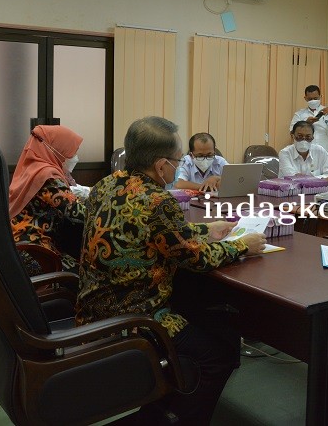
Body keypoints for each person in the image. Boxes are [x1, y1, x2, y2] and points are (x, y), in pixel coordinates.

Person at [76, 116, 266, 425]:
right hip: (138, 318)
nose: (179, 166)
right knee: (221, 351)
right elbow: (196, 259)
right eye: (178, 160)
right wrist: (243, 245)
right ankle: (173, 418)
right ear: (162, 164)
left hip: (94, 307)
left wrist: (205, 229)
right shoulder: (157, 199)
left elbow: (158, 235)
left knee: (210, 319)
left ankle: (163, 406)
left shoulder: (106, 185)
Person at [9, 124, 86, 276]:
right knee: (85, 275)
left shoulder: (32, 168)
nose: (75, 158)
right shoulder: (47, 177)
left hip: (18, 245)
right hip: (35, 252)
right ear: (59, 149)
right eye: (72, 152)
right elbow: (77, 213)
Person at [289, 84, 328, 155]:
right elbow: (292, 133)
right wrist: (306, 123)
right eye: (310, 99)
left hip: (326, 154)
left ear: (320, 96)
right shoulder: (299, 114)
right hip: (305, 155)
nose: (313, 101)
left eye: (315, 98)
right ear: (305, 98)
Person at [278, 121, 328, 186]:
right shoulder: (284, 153)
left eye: (308, 137)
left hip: (317, 192)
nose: (304, 140)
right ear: (292, 137)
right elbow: (294, 179)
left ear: (312, 138)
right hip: (290, 193)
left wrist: (311, 179)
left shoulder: (320, 151)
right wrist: (323, 179)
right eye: (300, 136)